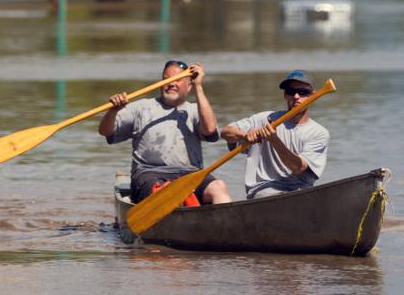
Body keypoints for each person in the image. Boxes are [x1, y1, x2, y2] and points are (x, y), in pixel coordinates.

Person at [99, 60, 231, 205]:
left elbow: (210, 130)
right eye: (166, 79)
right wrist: (113, 111)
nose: (171, 84)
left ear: (189, 86)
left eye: (177, 80)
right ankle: (186, 206)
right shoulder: (140, 108)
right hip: (149, 174)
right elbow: (105, 131)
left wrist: (199, 86)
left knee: (219, 187)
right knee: (164, 194)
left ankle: (221, 223)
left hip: (190, 174)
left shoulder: (195, 110)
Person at [220, 70, 329, 199]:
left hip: (301, 194)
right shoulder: (264, 119)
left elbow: (298, 167)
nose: (296, 96)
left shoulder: (319, 133)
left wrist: (273, 140)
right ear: (285, 95)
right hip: (264, 191)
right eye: (290, 91)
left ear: (313, 96)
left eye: (303, 92)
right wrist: (245, 136)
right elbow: (226, 132)